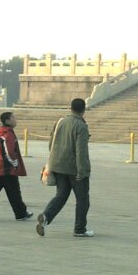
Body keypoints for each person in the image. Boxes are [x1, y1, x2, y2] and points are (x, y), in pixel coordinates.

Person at [37, 98, 93, 238]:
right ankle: (79, 229)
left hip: (58, 166)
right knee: (82, 200)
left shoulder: (60, 122)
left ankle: (46, 216)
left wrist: (54, 161)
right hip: (74, 169)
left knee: (61, 195)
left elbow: (51, 143)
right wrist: (82, 170)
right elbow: (81, 150)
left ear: (71, 107)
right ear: (83, 109)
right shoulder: (81, 126)